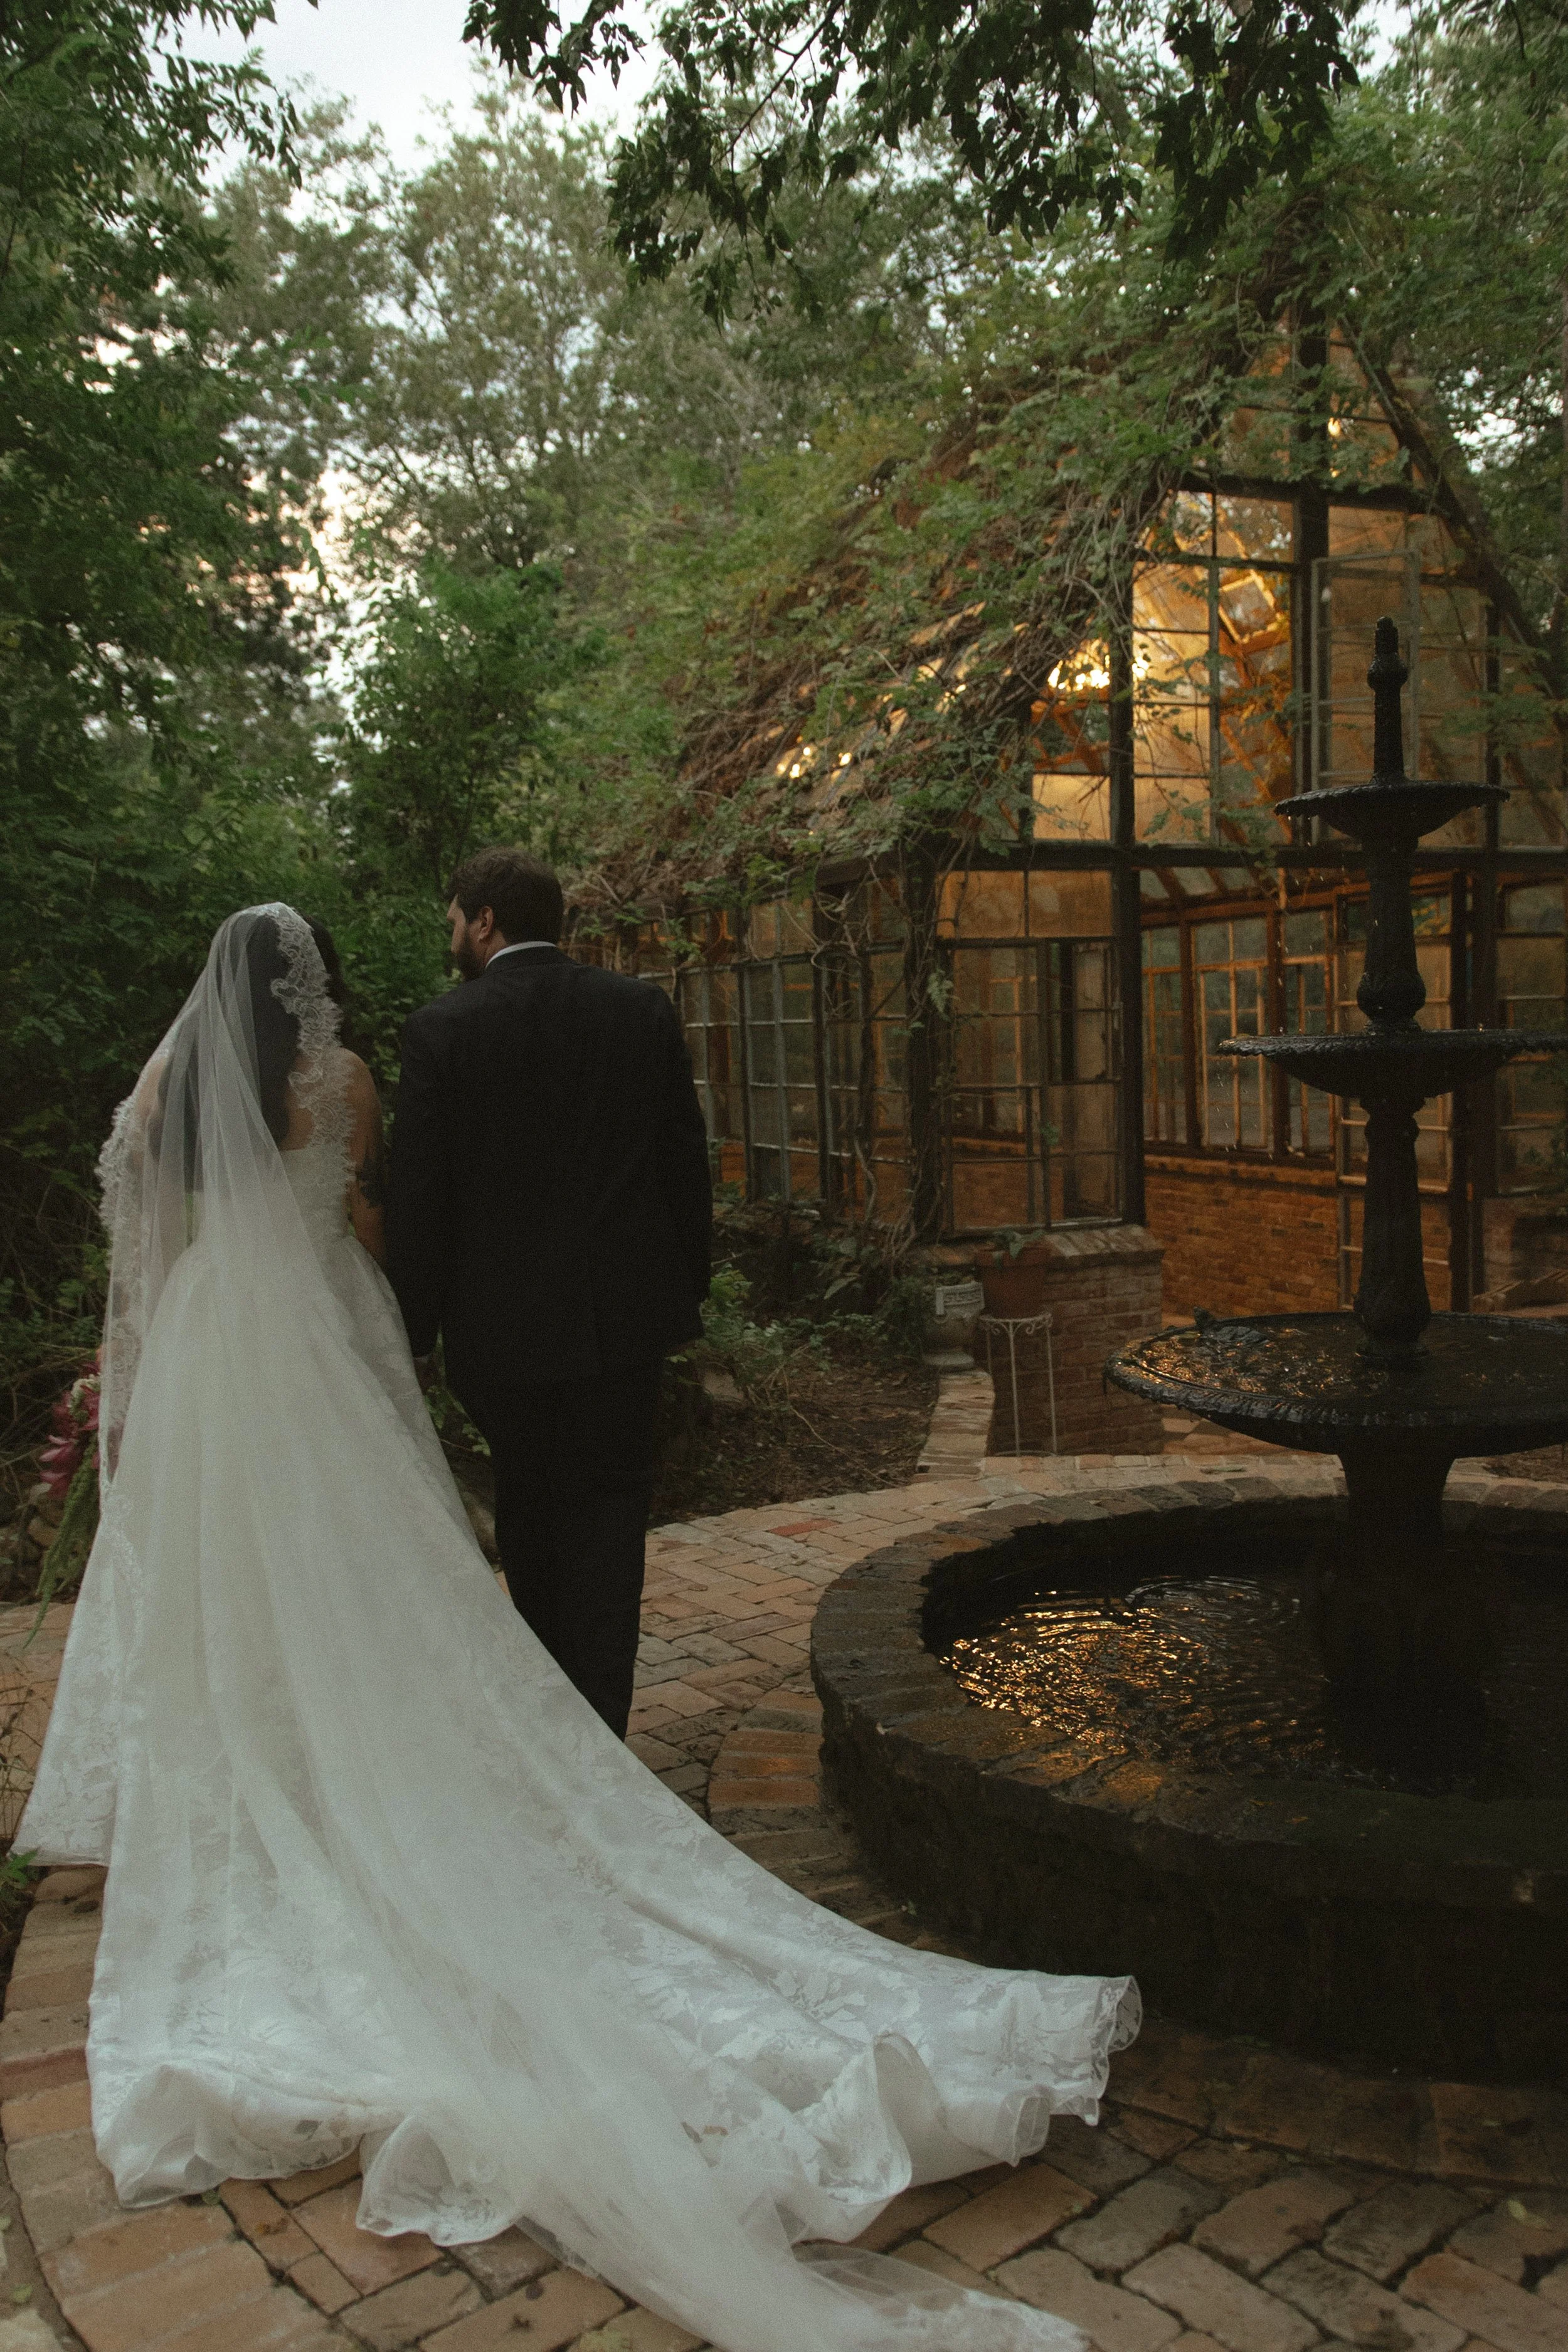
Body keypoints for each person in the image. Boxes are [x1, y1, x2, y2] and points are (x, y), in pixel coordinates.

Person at [19, 904, 1138, 2352]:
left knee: (223, 1583)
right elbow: (391, 1214)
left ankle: (250, 1777)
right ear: (304, 990)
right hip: (348, 1339)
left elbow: (164, 1244)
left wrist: (184, 1353)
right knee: (402, 1578)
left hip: (214, 1359)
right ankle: (533, 1745)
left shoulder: (179, 1088)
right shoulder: (347, 1080)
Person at [385, 848, 711, 1737]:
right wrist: (686, 1286)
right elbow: (686, 1164)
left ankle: (556, 1735)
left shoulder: (441, 1032)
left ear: (486, 919)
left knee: (531, 1517)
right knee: (612, 1525)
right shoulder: (638, 1009)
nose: (451, 934)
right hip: (625, 1328)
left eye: (454, 918)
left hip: (505, 1340)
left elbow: (421, 1199)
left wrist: (412, 1332)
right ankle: (602, 1727)